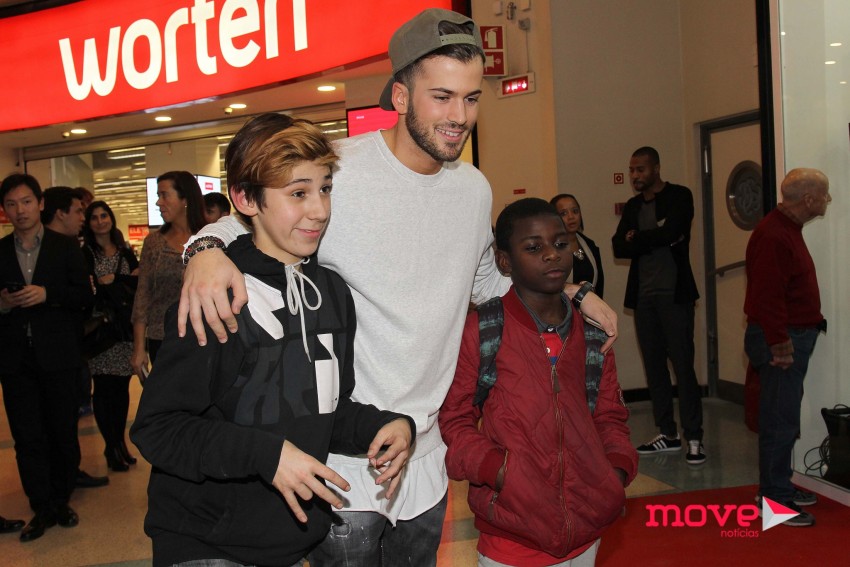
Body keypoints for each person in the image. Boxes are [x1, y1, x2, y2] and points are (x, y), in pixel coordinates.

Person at [177, 9, 617, 566]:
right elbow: (242, 221)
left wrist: (571, 291)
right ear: (402, 96)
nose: (459, 116)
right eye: (442, 97)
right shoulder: (339, 171)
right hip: (344, 449)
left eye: (471, 98)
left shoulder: (473, 190)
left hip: (425, 451)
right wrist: (204, 251)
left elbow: (485, 281)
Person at [130, 116, 414, 567]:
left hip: (288, 541)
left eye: (325, 189)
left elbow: (323, 410)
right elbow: (158, 427)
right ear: (246, 199)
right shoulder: (216, 295)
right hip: (206, 542)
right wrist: (266, 456)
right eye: (298, 193)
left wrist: (386, 425)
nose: (319, 210)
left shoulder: (333, 293)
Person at [440, 198, 636, 567]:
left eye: (561, 243)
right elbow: (454, 420)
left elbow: (609, 415)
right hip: (511, 536)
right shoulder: (483, 330)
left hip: (586, 528)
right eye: (533, 247)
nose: (551, 254)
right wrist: (501, 472)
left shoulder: (592, 334)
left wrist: (614, 473)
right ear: (505, 261)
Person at [0, 173, 93, 542]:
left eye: (26, 202)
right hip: (15, 361)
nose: (20, 210)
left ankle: (60, 499)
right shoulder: (0, 251)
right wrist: (3, 303)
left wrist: (47, 295)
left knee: (62, 430)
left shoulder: (65, 247)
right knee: (27, 436)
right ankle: (41, 505)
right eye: (11, 204)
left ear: (40, 203)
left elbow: (84, 297)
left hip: (58, 356)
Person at [744, 168, 831, 528]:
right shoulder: (774, 234)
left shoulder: (785, 230)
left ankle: (778, 485)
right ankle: (774, 500)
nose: (828, 200)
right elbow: (766, 296)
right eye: (825, 194)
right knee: (779, 420)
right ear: (809, 199)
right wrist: (780, 344)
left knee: (783, 416)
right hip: (781, 339)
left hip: (789, 336)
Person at [612, 146, 704, 465]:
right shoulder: (634, 206)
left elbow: (673, 232)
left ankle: (694, 437)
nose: (635, 175)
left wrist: (639, 238)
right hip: (644, 298)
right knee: (654, 368)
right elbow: (618, 246)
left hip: (674, 295)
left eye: (640, 169)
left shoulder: (680, 196)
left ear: (656, 168)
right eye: (632, 170)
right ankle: (667, 433)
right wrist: (653, 236)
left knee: (683, 366)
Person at [35, 186, 109, 488]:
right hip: (46, 350)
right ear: (60, 213)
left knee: (65, 417)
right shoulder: (49, 250)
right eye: (78, 211)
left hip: (68, 347)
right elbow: (81, 296)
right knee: (49, 420)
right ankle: (56, 478)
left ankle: (67, 472)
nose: (83, 217)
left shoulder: (70, 247)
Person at [130, 171, 205, 378]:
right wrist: (139, 348)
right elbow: (142, 296)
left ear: (185, 199)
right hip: (162, 338)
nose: (158, 202)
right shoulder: (154, 243)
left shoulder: (209, 238)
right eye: (158, 195)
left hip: (203, 335)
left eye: (164, 195)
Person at [82, 201, 140, 472]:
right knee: (104, 389)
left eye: (104, 215)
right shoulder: (85, 254)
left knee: (121, 389)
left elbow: (138, 283)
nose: (100, 221)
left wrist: (114, 280)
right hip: (101, 333)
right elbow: (86, 289)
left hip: (123, 330)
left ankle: (120, 443)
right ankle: (111, 446)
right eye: (94, 217)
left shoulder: (125, 253)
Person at [550, 193, 605, 298]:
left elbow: (599, 285)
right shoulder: (550, 250)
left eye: (575, 211)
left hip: (590, 305)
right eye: (563, 213)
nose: (571, 217)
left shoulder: (590, 245)